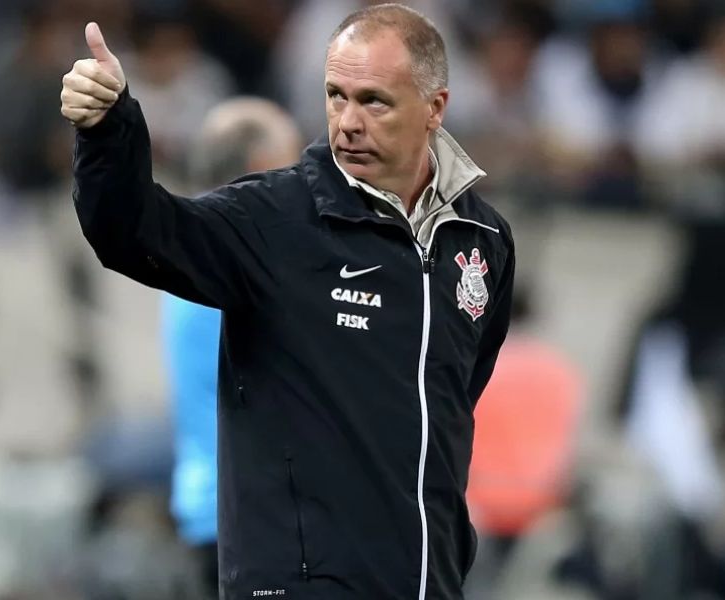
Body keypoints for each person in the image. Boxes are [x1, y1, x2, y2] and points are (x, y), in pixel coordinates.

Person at [63, 4, 515, 598]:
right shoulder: (274, 219)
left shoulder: (482, 242)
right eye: (335, 96)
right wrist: (108, 130)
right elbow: (134, 231)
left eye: (372, 100)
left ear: (435, 108)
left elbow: (454, 400)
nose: (347, 121)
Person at [164, 97, 302, 598]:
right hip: (251, 514)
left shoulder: (195, 243)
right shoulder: (239, 253)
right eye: (291, 158)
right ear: (258, 167)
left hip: (215, 508)